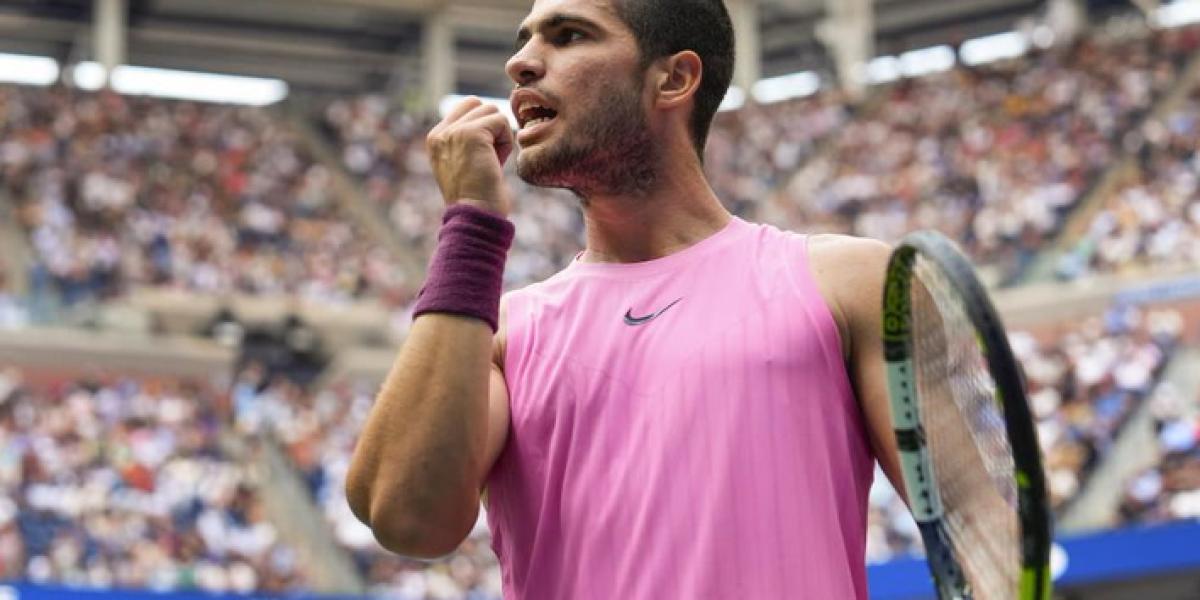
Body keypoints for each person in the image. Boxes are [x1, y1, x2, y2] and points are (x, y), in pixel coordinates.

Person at [346, 0, 906, 597]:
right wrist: (471, 223)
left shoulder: (849, 283)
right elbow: (405, 519)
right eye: (524, 39)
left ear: (674, 78)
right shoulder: (498, 334)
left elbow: (973, 521)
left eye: (568, 36)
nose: (520, 62)